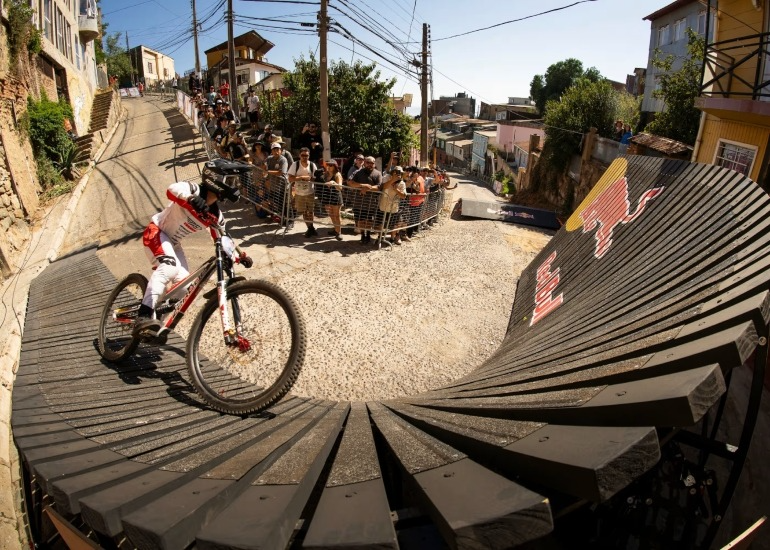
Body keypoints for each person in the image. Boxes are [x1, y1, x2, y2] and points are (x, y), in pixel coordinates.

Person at [133, 167, 252, 335]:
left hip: (173, 243)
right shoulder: (194, 189)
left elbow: (224, 238)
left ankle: (155, 324)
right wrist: (190, 198)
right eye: (230, 181)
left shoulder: (216, 215)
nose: (233, 186)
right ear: (215, 179)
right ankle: (143, 315)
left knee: (185, 286)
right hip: (157, 232)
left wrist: (238, 256)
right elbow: (172, 189)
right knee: (169, 267)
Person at [347, 156, 381, 244]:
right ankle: (363, 235)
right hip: (358, 202)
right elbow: (350, 182)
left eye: (372, 163)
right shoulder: (358, 172)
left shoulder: (378, 173)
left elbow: (379, 187)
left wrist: (367, 188)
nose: (370, 165)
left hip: (371, 203)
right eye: (368, 162)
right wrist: (362, 186)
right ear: (365, 163)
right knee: (360, 220)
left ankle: (368, 235)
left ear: (374, 164)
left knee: (369, 220)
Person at [288, 147, 319, 237]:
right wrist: (302, 178)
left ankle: (311, 227)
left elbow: (316, 178)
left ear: (309, 156)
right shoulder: (295, 165)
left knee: (311, 211)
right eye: (303, 155)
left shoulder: (312, 165)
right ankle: (310, 228)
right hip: (299, 193)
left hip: (310, 192)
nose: (305, 157)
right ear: (299, 155)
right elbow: (290, 178)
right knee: (304, 211)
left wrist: (311, 179)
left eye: (306, 155)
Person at [377, 166, 407, 245]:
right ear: (393, 172)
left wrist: (396, 190)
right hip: (383, 205)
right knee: (380, 223)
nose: (398, 174)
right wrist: (392, 180)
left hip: (394, 207)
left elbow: (404, 196)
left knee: (394, 224)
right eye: (396, 172)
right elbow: (383, 187)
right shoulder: (387, 178)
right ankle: (379, 238)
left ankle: (392, 238)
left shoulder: (402, 183)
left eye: (399, 172)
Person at [266, 141, 292, 228]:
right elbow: (264, 166)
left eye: (278, 150)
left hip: (282, 185)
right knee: (278, 203)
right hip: (273, 185)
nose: (276, 152)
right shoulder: (269, 159)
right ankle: (282, 219)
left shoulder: (283, 160)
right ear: (271, 151)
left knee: (286, 204)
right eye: (274, 150)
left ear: (281, 150)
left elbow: (282, 172)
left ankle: (290, 221)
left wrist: (268, 172)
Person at [318, 160, 344, 240]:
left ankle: (339, 232)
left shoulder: (337, 175)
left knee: (336, 215)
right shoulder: (325, 174)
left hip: (335, 197)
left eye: (331, 165)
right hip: (327, 197)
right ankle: (335, 229)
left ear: (335, 166)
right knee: (331, 215)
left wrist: (333, 182)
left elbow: (340, 187)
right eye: (327, 165)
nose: (328, 167)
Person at [403, 166, 425, 241]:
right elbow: (405, 186)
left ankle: (412, 233)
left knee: (415, 218)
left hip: (419, 201)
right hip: (409, 202)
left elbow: (418, 189)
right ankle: (407, 234)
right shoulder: (406, 179)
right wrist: (412, 179)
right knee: (409, 219)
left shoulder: (420, 179)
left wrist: (415, 182)